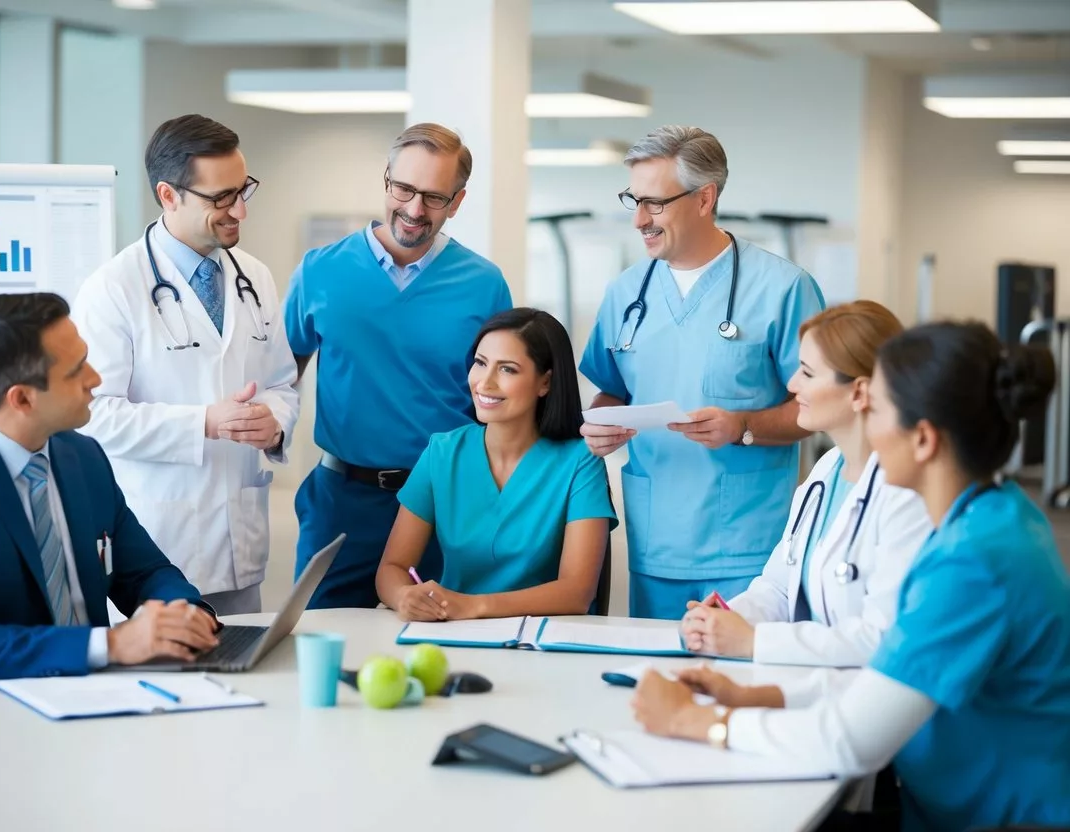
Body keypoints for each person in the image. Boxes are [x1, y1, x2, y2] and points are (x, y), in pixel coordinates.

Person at [631, 321, 1070, 831]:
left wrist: (694, 721)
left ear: (924, 439)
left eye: (877, 409)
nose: (866, 425)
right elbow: (885, 674)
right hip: (950, 805)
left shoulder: (973, 563)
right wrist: (758, 696)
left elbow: (851, 740)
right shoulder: (990, 519)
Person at [0, 294, 221, 692]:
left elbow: (144, 572)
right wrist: (111, 644)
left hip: (78, 696)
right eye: (75, 371)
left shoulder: (82, 457)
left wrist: (185, 615)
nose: (95, 378)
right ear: (21, 398)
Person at [579, 126, 825, 620]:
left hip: (750, 547)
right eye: (634, 200)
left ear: (704, 198)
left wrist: (744, 427)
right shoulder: (626, 294)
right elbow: (611, 389)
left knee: (738, 686)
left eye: (655, 203)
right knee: (655, 681)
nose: (640, 220)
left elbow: (819, 406)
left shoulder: (783, 289)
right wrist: (600, 424)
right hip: (656, 542)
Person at [72, 115, 298, 615]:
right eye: (221, 197)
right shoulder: (114, 288)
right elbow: (90, 416)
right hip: (159, 546)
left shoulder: (254, 276)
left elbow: (283, 382)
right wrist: (204, 423)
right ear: (168, 195)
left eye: (243, 190)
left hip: (241, 544)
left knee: (248, 675)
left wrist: (274, 422)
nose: (240, 208)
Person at [284, 123, 512, 609]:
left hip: (444, 502)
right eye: (404, 189)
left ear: (457, 201)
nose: (413, 210)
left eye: (433, 197)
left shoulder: (484, 284)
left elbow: (501, 403)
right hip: (342, 499)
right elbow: (283, 374)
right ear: (386, 179)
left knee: (438, 644)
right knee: (322, 636)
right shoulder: (319, 270)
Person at [680, 301, 931, 666]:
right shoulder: (826, 470)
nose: (792, 384)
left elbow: (881, 637)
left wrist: (753, 641)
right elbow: (778, 587)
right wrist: (728, 618)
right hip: (816, 681)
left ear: (859, 393)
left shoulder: (908, 492)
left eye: (807, 373)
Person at [375, 309, 617, 620]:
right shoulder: (442, 452)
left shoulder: (581, 463)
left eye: (508, 369)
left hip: (541, 644)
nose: (484, 382)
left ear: (545, 382)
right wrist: (403, 596)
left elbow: (577, 593)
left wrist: (475, 606)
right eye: (480, 363)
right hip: (450, 634)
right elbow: (392, 568)